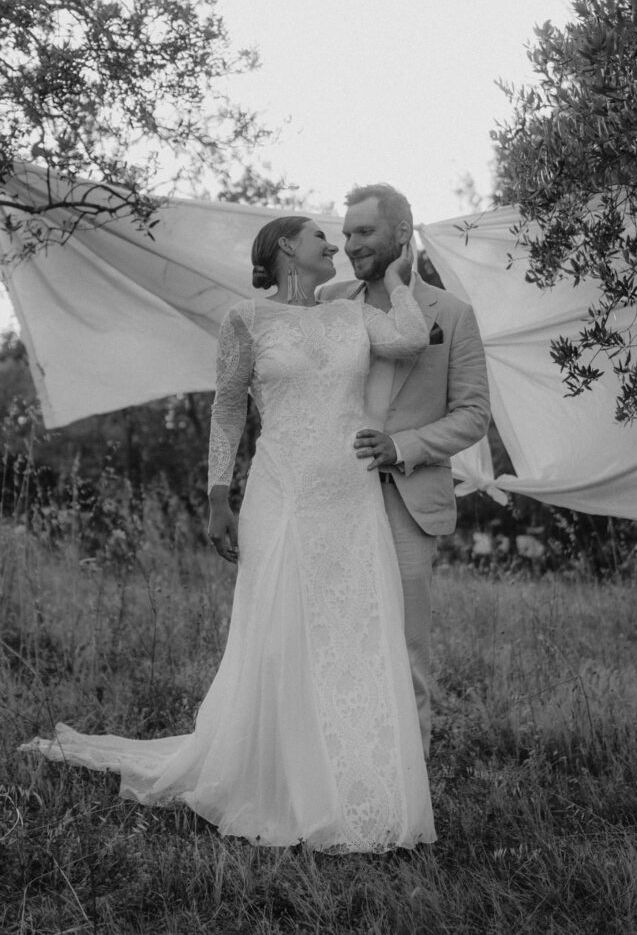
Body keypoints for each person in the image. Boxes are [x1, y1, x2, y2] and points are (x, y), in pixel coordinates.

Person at [20, 214, 436, 853]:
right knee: (282, 634)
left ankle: (358, 779)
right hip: (282, 493)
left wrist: (400, 275)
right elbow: (229, 408)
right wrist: (219, 495)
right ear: (283, 251)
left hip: (350, 500)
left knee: (351, 634)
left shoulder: (352, 314)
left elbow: (409, 339)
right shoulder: (247, 319)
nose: (334, 244)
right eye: (319, 238)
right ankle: (285, 783)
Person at [319, 184, 490, 757]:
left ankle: (409, 789)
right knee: (336, 635)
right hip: (332, 494)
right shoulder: (328, 302)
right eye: (345, 234)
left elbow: (473, 415)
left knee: (407, 647)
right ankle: (341, 765)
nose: (350, 244)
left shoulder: (454, 315)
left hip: (409, 500)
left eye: (363, 232)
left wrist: (403, 444)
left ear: (400, 234)